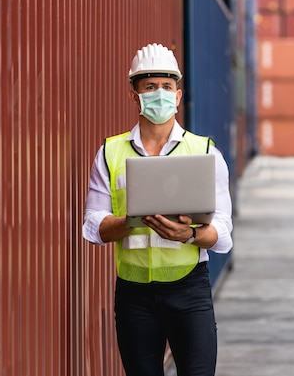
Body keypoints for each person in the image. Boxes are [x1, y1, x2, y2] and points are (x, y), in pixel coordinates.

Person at [82, 43, 233, 376]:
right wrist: (129, 222)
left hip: (189, 290)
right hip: (134, 295)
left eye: (167, 86)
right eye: (150, 86)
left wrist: (189, 235)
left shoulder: (204, 152)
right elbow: (93, 226)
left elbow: (222, 231)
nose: (160, 94)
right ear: (134, 95)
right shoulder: (110, 153)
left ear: (178, 96)